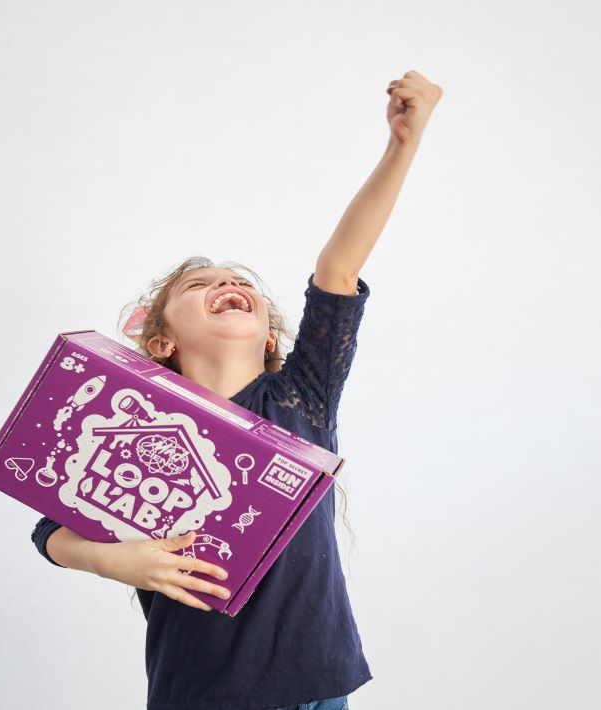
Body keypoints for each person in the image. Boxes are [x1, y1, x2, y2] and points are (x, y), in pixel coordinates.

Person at [31, 70, 442, 710]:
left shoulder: (301, 396)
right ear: (163, 340)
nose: (226, 283)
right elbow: (49, 528)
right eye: (197, 287)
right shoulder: (138, 425)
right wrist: (119, 562)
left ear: (269, 331)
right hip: (198, 694)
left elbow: (338, 267)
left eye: (239, 281)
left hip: (316, 688)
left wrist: (402, 144)